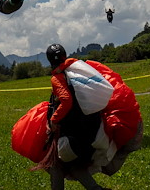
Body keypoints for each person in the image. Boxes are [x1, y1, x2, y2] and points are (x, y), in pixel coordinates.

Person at [45, 44, 110, 190]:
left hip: (72, 131)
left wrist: (54, 119)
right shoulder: (76, 72)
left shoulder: (58, 77)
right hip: (88, 128)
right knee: (73, 164)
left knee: (56, 163)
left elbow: (66, 100)